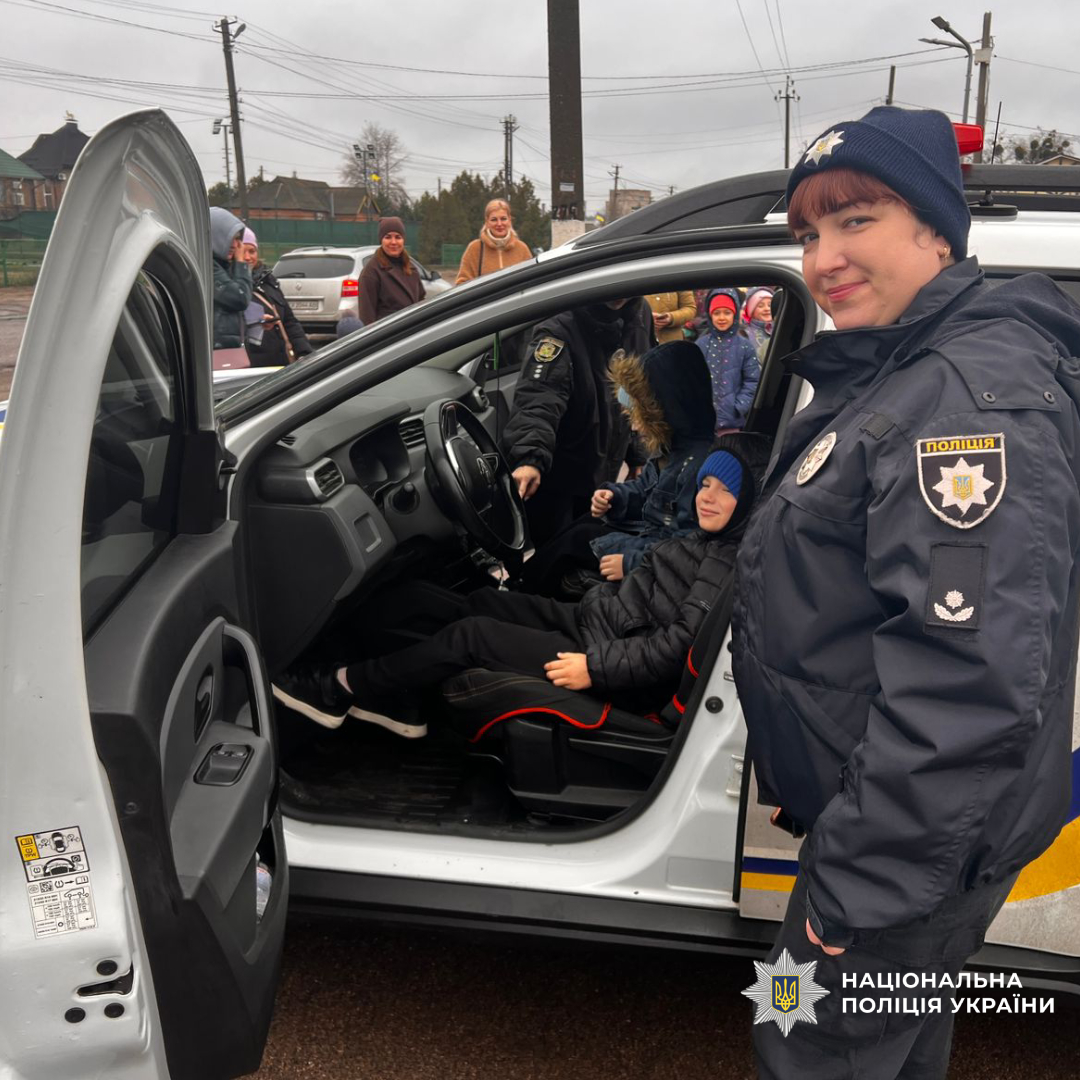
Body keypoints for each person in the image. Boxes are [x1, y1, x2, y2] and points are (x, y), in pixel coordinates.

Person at [731, 106, 1080, 1080]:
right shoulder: (903, 366)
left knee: (807, 1049)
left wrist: (855, 890)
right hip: (907, 845)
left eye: (856, 220)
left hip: (898, 863)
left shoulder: (960, 405)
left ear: (936, 230)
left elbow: (964, 693)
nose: (824, 258)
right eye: (809, 232)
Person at [271, 442, 760, 737]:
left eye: (725, 490)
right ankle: (405, 689)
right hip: (601, 621)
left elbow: (675, 649)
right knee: (484, 601)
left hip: (610, 662)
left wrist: (593, 667)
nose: (708, 497)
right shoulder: (703, 539)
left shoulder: (723, 562)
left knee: (474, 635)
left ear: (747, 503)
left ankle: (340, 688)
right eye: (705, 485)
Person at [501, 298, 653, 546]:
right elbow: (540, 397)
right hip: (561, 475)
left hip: (604, 468)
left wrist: (637, 454)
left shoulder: (639, 313)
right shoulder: (559, 326)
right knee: (556, 551)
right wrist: (530, 458)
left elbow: (635, 393)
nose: (619, 297)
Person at [240, 228, 313, 366]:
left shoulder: (268, 280)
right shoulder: (229, 286)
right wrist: (255, 321)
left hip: (281, 364)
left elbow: (289, 321)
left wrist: (304, 353)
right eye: (242, 252)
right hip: (251, 368)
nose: (248, 257)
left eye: (252, 251)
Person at [695, 288, 760, 431]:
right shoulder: (701, 344)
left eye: (727, 312)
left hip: (733, 421)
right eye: (716, 313)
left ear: (735, 314)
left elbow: (752, 380)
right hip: (703, 420)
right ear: (710, 315)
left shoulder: (745, 346)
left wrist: (739, 406)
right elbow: (691, 379)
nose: (722, 318)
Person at [358, 216, 423, 324]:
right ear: (381, 240)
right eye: (388, 237)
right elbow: (367, 316)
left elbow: (421, 303)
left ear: (403, 240)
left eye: (398, 237)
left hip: (412, 331)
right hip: (389, 333)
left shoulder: (412, 269)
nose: (393, 242)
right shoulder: (371, 272)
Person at [454, 198, 533, 284]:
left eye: (503, 219)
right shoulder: (475, 248)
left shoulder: (522, 249)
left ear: (510, 220)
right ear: (487, 222)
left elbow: (531, 281)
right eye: (494, 219)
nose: (499, 224)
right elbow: (462, 283)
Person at [209, 206, 251, 349]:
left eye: (238, 239)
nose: (235, 245)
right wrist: (241, 263)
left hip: (228, 349)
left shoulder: (225, 266)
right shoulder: (209, 267)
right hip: (218, 351)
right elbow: (240, 298)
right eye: (230, 238)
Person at [741, 287, 774, 359]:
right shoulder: (745, 333)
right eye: (760, 306)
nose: (767, 309)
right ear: (751, 311)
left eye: (770, 305)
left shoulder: (780, 327)